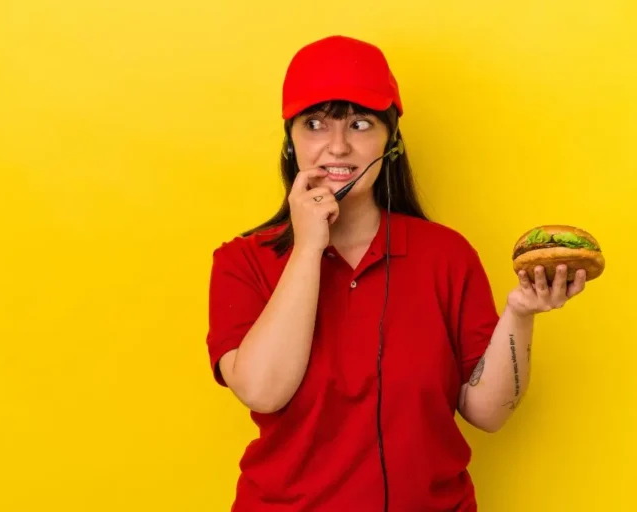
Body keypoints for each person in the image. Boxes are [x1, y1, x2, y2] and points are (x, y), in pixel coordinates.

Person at [204, 35, 587, 512]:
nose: (338, 147)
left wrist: (520, 313)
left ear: (392, 142)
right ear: (290, 141)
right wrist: (307, 247)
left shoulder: (446, 254)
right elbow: (263, 391)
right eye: (316, 124)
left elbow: (488, 414)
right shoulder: (243, 261)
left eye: (360, 124)